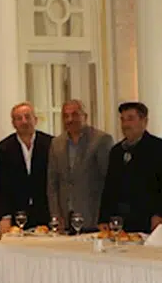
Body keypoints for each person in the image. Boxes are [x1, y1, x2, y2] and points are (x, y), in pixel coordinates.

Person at [98, 102, 162, 233]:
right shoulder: (116, 151)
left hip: (149, 221)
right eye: (122, 120)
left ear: (144, 121)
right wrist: (103, 218)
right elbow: (110, 187)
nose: (125, 124)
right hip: (120, 223)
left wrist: (161, 214)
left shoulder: (161, 149)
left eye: (130, 119)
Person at [47, 99, 113, 231]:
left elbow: (109, 181)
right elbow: (52, 184)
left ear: (85, 116)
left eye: (75, 114)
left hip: (93, 218)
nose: (70, 119)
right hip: (65, 219)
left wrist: (105, 217)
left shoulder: (101, 140)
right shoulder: (56, 143)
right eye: (66, 116)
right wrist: (55, 215)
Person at [0, 103, 52, 232]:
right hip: (16, 216)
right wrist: (5, 216)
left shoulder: (50, 144)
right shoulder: (3, 148)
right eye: (19, 118)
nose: (24, 121)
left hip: (46, 214)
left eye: (27, 117)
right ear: (13, 123)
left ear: (35, 120)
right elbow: (2, 186)